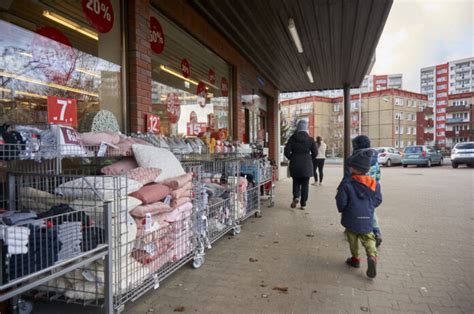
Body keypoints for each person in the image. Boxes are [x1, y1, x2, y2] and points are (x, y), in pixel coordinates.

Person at [336, 149, 382, 278]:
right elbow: (378, 199)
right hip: (367, 216)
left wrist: (342, 209)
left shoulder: (347, 183)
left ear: (355, 169)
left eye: (351, 166)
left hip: (351, 216)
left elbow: (341, 200)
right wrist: (370, 208)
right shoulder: (374, 184)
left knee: (353, 238)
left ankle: (355, 259)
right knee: (368, 237)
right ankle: (372, 256)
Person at [344, 135, 383, 247]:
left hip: (356, 188)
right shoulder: (374, 157)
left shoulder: (354, 159)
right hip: (371, 188)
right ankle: (376, 232)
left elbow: (348, 175)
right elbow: (378, 174)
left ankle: (353, 231)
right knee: (371, 211)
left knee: (354, 209)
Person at [284, 120, 317, 210]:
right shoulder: (310, 139)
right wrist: (310, 159)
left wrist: (292, 157)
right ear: (306, 128)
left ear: (297, 127)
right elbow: (315, 153)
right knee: (305, 184)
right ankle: (303, 203)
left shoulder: (292, 138)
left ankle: (296, 197)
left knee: (296, 182)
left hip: (295, 163)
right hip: (307, 163)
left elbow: (286, 152)